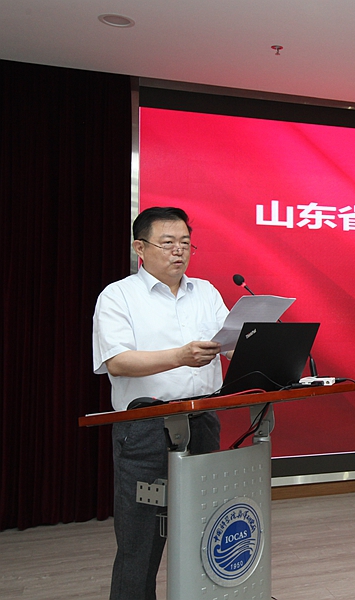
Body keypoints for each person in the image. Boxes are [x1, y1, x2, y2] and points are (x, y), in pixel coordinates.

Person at [92, 206, 229, 600]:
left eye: (185, 243)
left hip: (202, 420)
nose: (178, 251)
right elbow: (117, 361)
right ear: (140, 247)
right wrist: (180, 356)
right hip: (147, 429)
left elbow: (228, 343)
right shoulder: (119, 295)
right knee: (141, 542)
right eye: (167, 242)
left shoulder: (205, 292)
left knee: (206, 532)